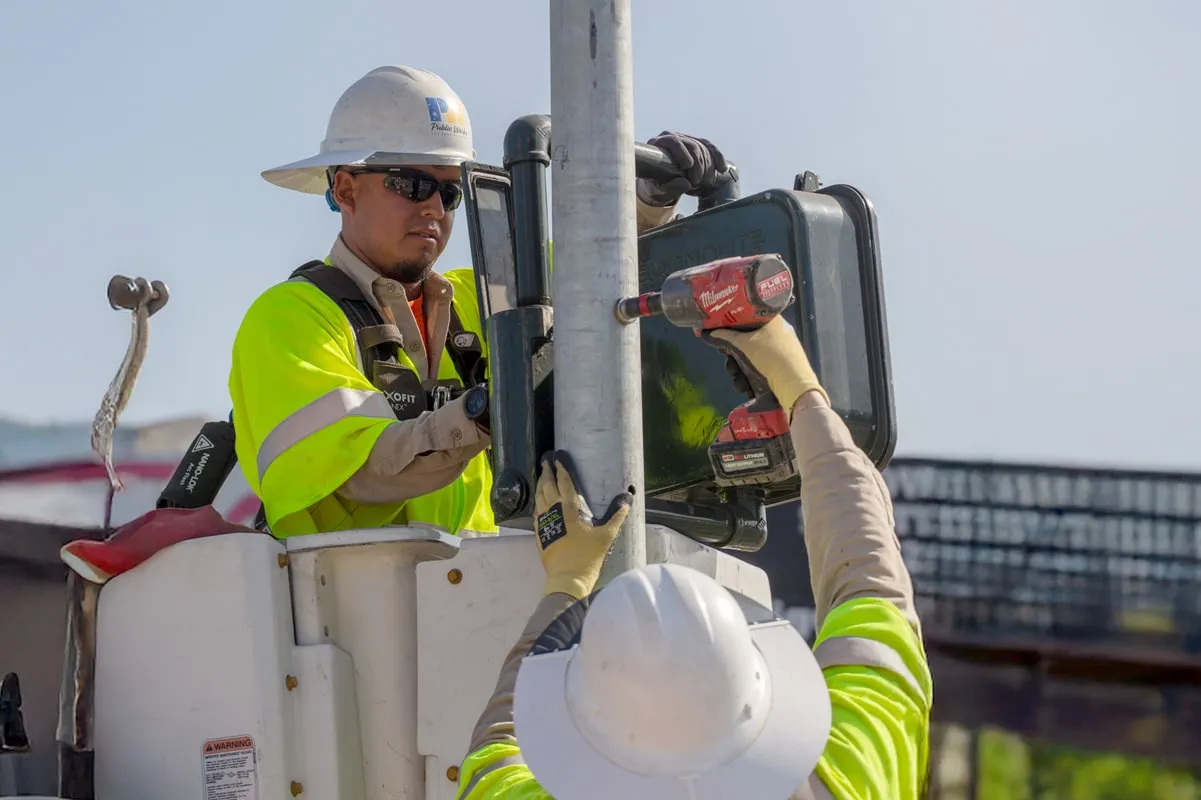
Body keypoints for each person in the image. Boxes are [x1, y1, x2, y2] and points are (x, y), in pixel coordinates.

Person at [229, 64, 731, 538]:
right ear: (345, 189)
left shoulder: (481, 299)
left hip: (478, 586)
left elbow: (595, 269)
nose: (434, 207)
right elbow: (362, 470)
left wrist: (649, 199)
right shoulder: (290, 318)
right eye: (412, 185)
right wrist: (489, 409)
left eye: (449, 193)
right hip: (352, 596)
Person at [455, 317, 932, 799]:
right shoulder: (847, 781)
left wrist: (568, 580)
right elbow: (872, 585)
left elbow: (495, 750)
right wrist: (803, 395)